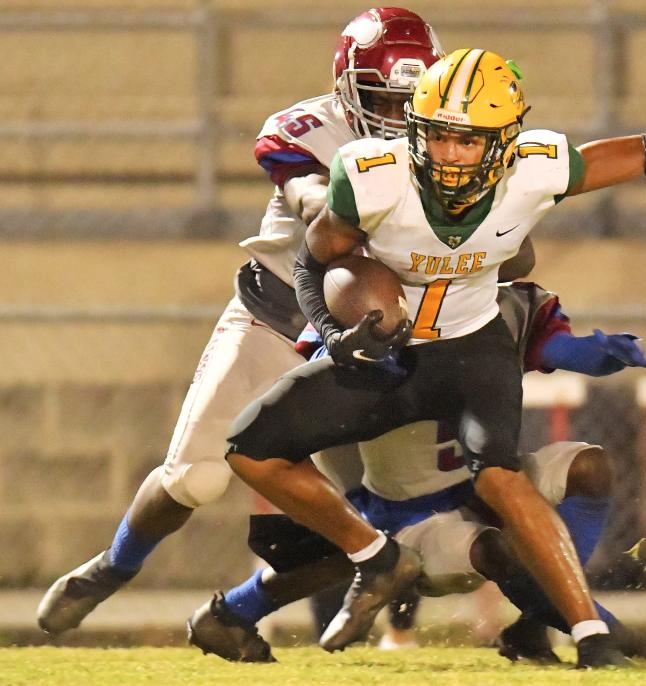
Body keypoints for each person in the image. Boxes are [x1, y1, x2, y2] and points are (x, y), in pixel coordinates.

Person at [224, 46, 646, 668]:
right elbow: (312, 259)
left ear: (505, 144)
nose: (448, 155)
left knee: (502, 477)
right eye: (438, 136)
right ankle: (369, 556)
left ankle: (590, 636)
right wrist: (333, 336)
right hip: (387, 351)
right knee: (249, 447)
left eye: (468, 142)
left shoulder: (536, 170)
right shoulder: (372, 175)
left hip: (472, 349)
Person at [36, 7, 445, 636]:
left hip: (371, 343)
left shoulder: (456, 140)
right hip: (277, 321)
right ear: (346, 88)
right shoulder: (306, 130)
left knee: (396, 512)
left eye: (406, 101)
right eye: (380, 100)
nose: (393, 117)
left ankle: (252, 614)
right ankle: (112, 567)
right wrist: (357, 197)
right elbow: (309, 202)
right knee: (196, 478)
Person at [188, 282, 646, 666]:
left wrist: (592, 352)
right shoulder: (355, 327)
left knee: (590, 465)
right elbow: (306, 428)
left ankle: (538, 624)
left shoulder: (499, 303)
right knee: (493, 551)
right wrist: (356, 518)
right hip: (413, 509)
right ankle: (601, 630)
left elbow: (548, 342)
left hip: (490, 478)